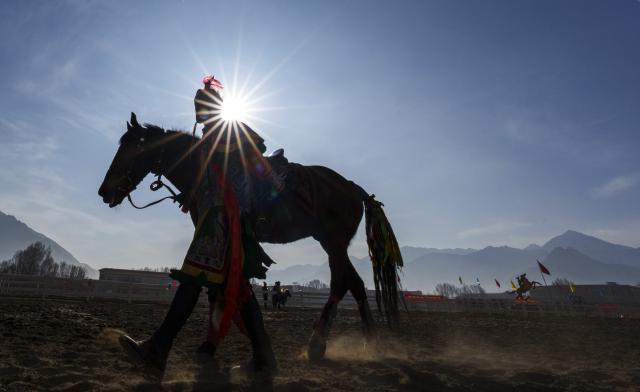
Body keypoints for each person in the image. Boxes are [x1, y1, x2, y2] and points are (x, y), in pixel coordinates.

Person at [119, 75, 276, 375]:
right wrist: (193, 195)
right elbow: (210, 178)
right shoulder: (211, 137)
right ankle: (265, 357)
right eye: (197, 106)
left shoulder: (229, 133)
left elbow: (250, 161)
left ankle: (158, 349)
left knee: (193, 278)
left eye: (203, 105)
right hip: (216, 215)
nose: (198, 111)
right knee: (238, 288)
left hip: (222, 218)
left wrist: (227, 200)